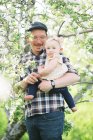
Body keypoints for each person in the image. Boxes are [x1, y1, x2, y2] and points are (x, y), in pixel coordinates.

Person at [18, 21, 80, 140]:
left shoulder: (54, 54)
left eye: (42, 37)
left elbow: (75, 76)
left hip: (52, 113)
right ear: (28, 39)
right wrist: (26, 80)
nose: (38, 41)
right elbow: (16, 88)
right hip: (31, 115)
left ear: (47, 38)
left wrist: (52, 84)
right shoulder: (23, 59)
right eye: (34, 37)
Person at [24, 36, 77, 112]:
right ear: (45, 49)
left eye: (53, 48)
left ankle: (31, 94)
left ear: (60, 50)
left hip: (54, 82)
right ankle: (73, 107)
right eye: (48, 48)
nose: (50, 50)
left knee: (35, 82)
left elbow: (48, 70)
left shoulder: (56, 58)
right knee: (65, 92)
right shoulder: (49, 58)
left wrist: (40, 71)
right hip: (51, 82)